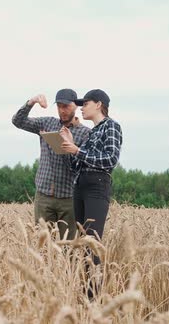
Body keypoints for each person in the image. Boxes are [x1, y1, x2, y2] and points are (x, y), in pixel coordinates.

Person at [12, 89, 90, 239]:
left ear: (76, 106)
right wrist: (31, 102)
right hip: (44, 195)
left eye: (66, 106)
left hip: (69, 198)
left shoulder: (85, 133)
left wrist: (70, 146)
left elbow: (83, 165)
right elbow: (18, 121)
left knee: (70, 247)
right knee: (43, 245)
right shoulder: (47, 123)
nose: (62, 110)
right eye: (59, 106)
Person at [60, 89, 123, 262]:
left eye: (85, 104)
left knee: (92, 243)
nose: (81, 108)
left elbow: (110, 159)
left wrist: (77, 150)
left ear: (98, 104)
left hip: (97, 185)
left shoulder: (111, 126)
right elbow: (77, 166)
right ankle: (83, 288)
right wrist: (70, 146)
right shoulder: (92, 133)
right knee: (81, 243)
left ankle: (94, 289)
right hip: (80, 186)